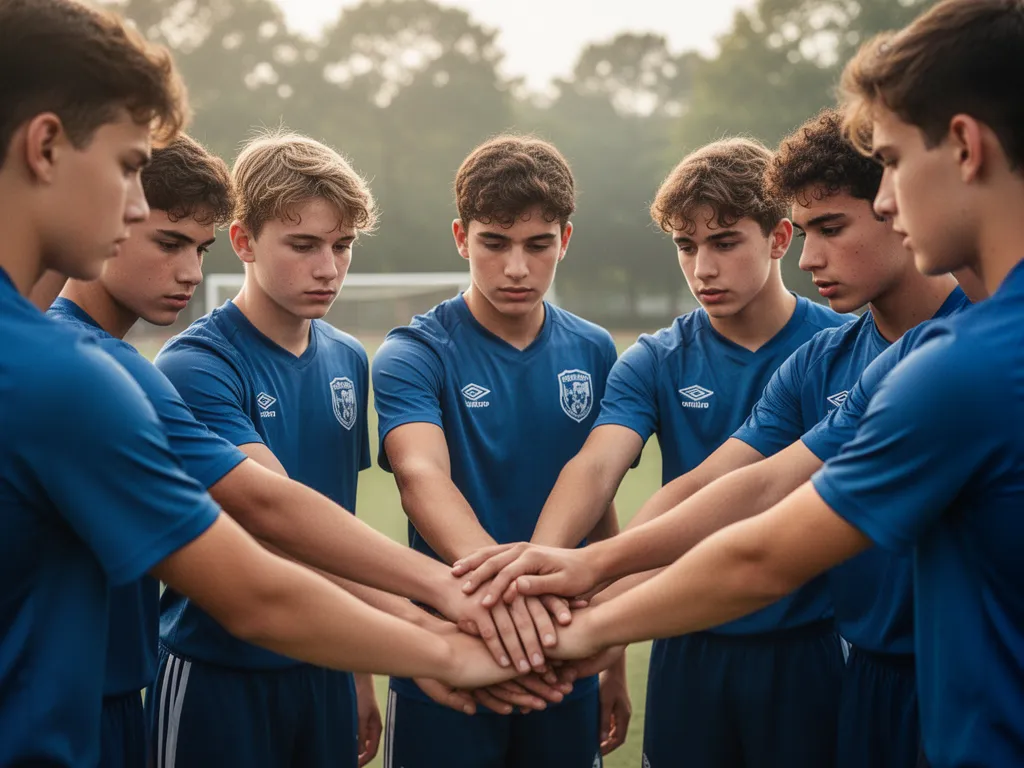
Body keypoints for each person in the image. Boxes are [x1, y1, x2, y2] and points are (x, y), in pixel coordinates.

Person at [0, 3, 511, 765]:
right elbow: (257, 566)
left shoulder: (81, 366)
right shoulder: (72, 376)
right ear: (44, 145)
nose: (137, 203)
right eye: (129, 167)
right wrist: (447, 635)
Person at [532, 3, 1024, 767]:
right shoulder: (914, 359)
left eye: (891, 161)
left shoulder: (965, 367)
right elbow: (759, 486)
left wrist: (589, 627)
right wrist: (591, 567)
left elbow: (765, 554)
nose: (889, 198)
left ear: (964, 146)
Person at [459, 109, 972, 768]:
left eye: (831, 229)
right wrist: (573, 578)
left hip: (911, 668)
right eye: (686, 245)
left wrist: (588, 613)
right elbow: (727, 485)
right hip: (748, 648)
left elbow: (764, 550)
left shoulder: (958, 347)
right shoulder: (827, 362)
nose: (703, 267)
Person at [371, 134, 622, 768]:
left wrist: (612, 652)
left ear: (564, 240)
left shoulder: (594, 350)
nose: (517, 268)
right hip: (448, 653)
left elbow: (599, 496)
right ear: (462, 237)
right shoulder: (414, 352)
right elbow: (420, 478)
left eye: (538, 245)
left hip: (563, 653)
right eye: (494, 243)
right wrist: (512, 603)